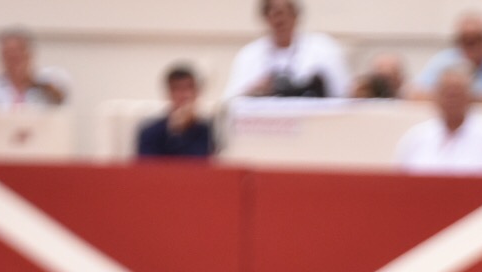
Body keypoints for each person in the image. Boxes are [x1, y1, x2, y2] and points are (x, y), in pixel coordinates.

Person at [395, 64, 482, 175]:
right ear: (436, 97)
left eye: (457, 94)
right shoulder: (415, 138)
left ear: (470, 97)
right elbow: (399, 183)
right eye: (447, 93)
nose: (452, 99)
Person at [223, 0, 351, 101]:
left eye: (285, 12)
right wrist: (254, 91)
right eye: (273, 13)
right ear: (265, 18)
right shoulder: (249, 56)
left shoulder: (324, 49)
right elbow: (229, 103)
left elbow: (344, 95)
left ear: (296, 15)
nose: (280, 19)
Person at [413, 12, 482, 100]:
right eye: (465, 40)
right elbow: (416, 94)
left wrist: (465, 99)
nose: (471, 45)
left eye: (477, 39)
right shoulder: (445, 60)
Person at [136, 63, 215, 158]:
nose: (185, 95)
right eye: (178, 89)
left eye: (189, 88)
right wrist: (175, 130)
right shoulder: (150, 132)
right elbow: (145, 167)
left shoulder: (207, 131)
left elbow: (204, 164)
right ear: (169, 93)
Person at [0, 27, 69, 107]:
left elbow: (61, 99)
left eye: (17, 53)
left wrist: (35, 81)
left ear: (29, 54)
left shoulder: (52, 77)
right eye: (7, 55)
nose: (13, 59)